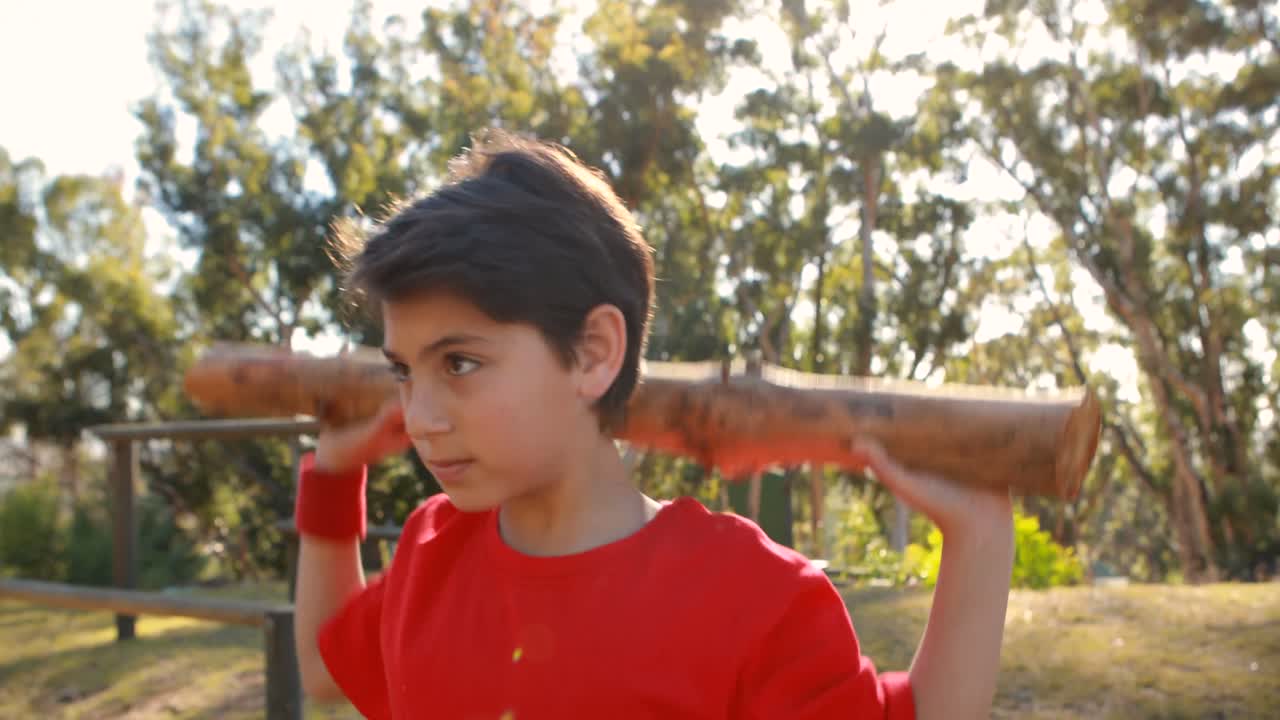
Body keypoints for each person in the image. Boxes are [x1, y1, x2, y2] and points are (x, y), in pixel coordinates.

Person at [291, 129, 1015, 720]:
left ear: (593, 352)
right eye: (403, 371)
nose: (420, 418)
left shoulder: (753, 599)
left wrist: (980, 539)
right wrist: (331, 479)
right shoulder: (430, 551)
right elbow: (329, 674)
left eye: (460, 364)